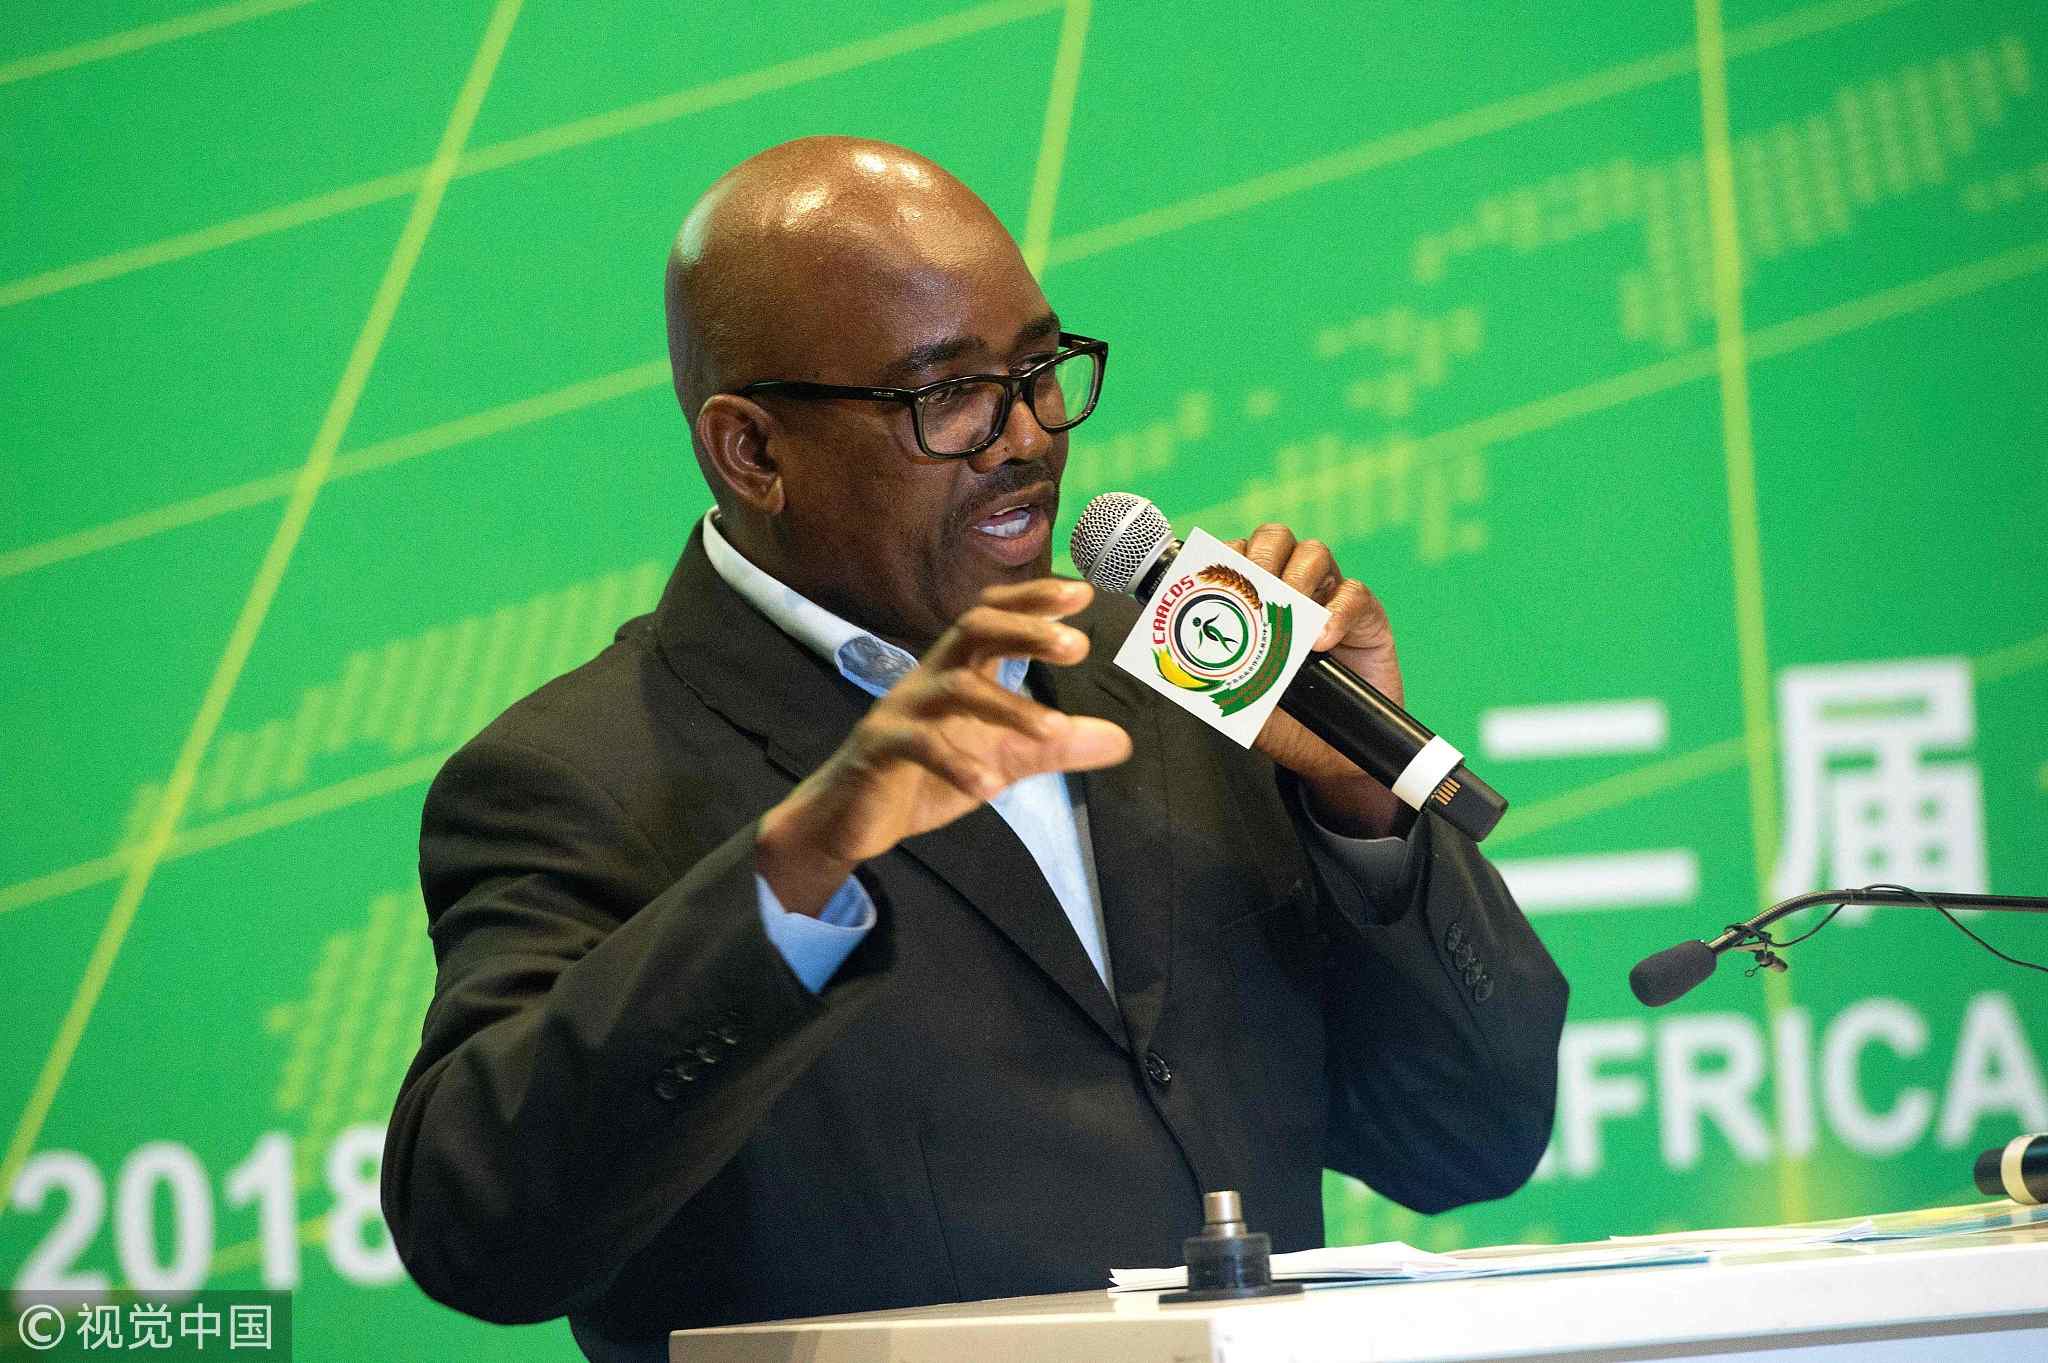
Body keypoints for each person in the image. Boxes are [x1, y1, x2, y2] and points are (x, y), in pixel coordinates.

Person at [381, 136, 1567, 1362]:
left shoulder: (1176, 669)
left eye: (1039, 369)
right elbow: (479, 1233)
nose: (1027, 437)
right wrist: (803, 862)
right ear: (753, 452)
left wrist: (1364, 818)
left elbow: (1467, 1142)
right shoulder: (575, 774)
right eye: (945, 395)